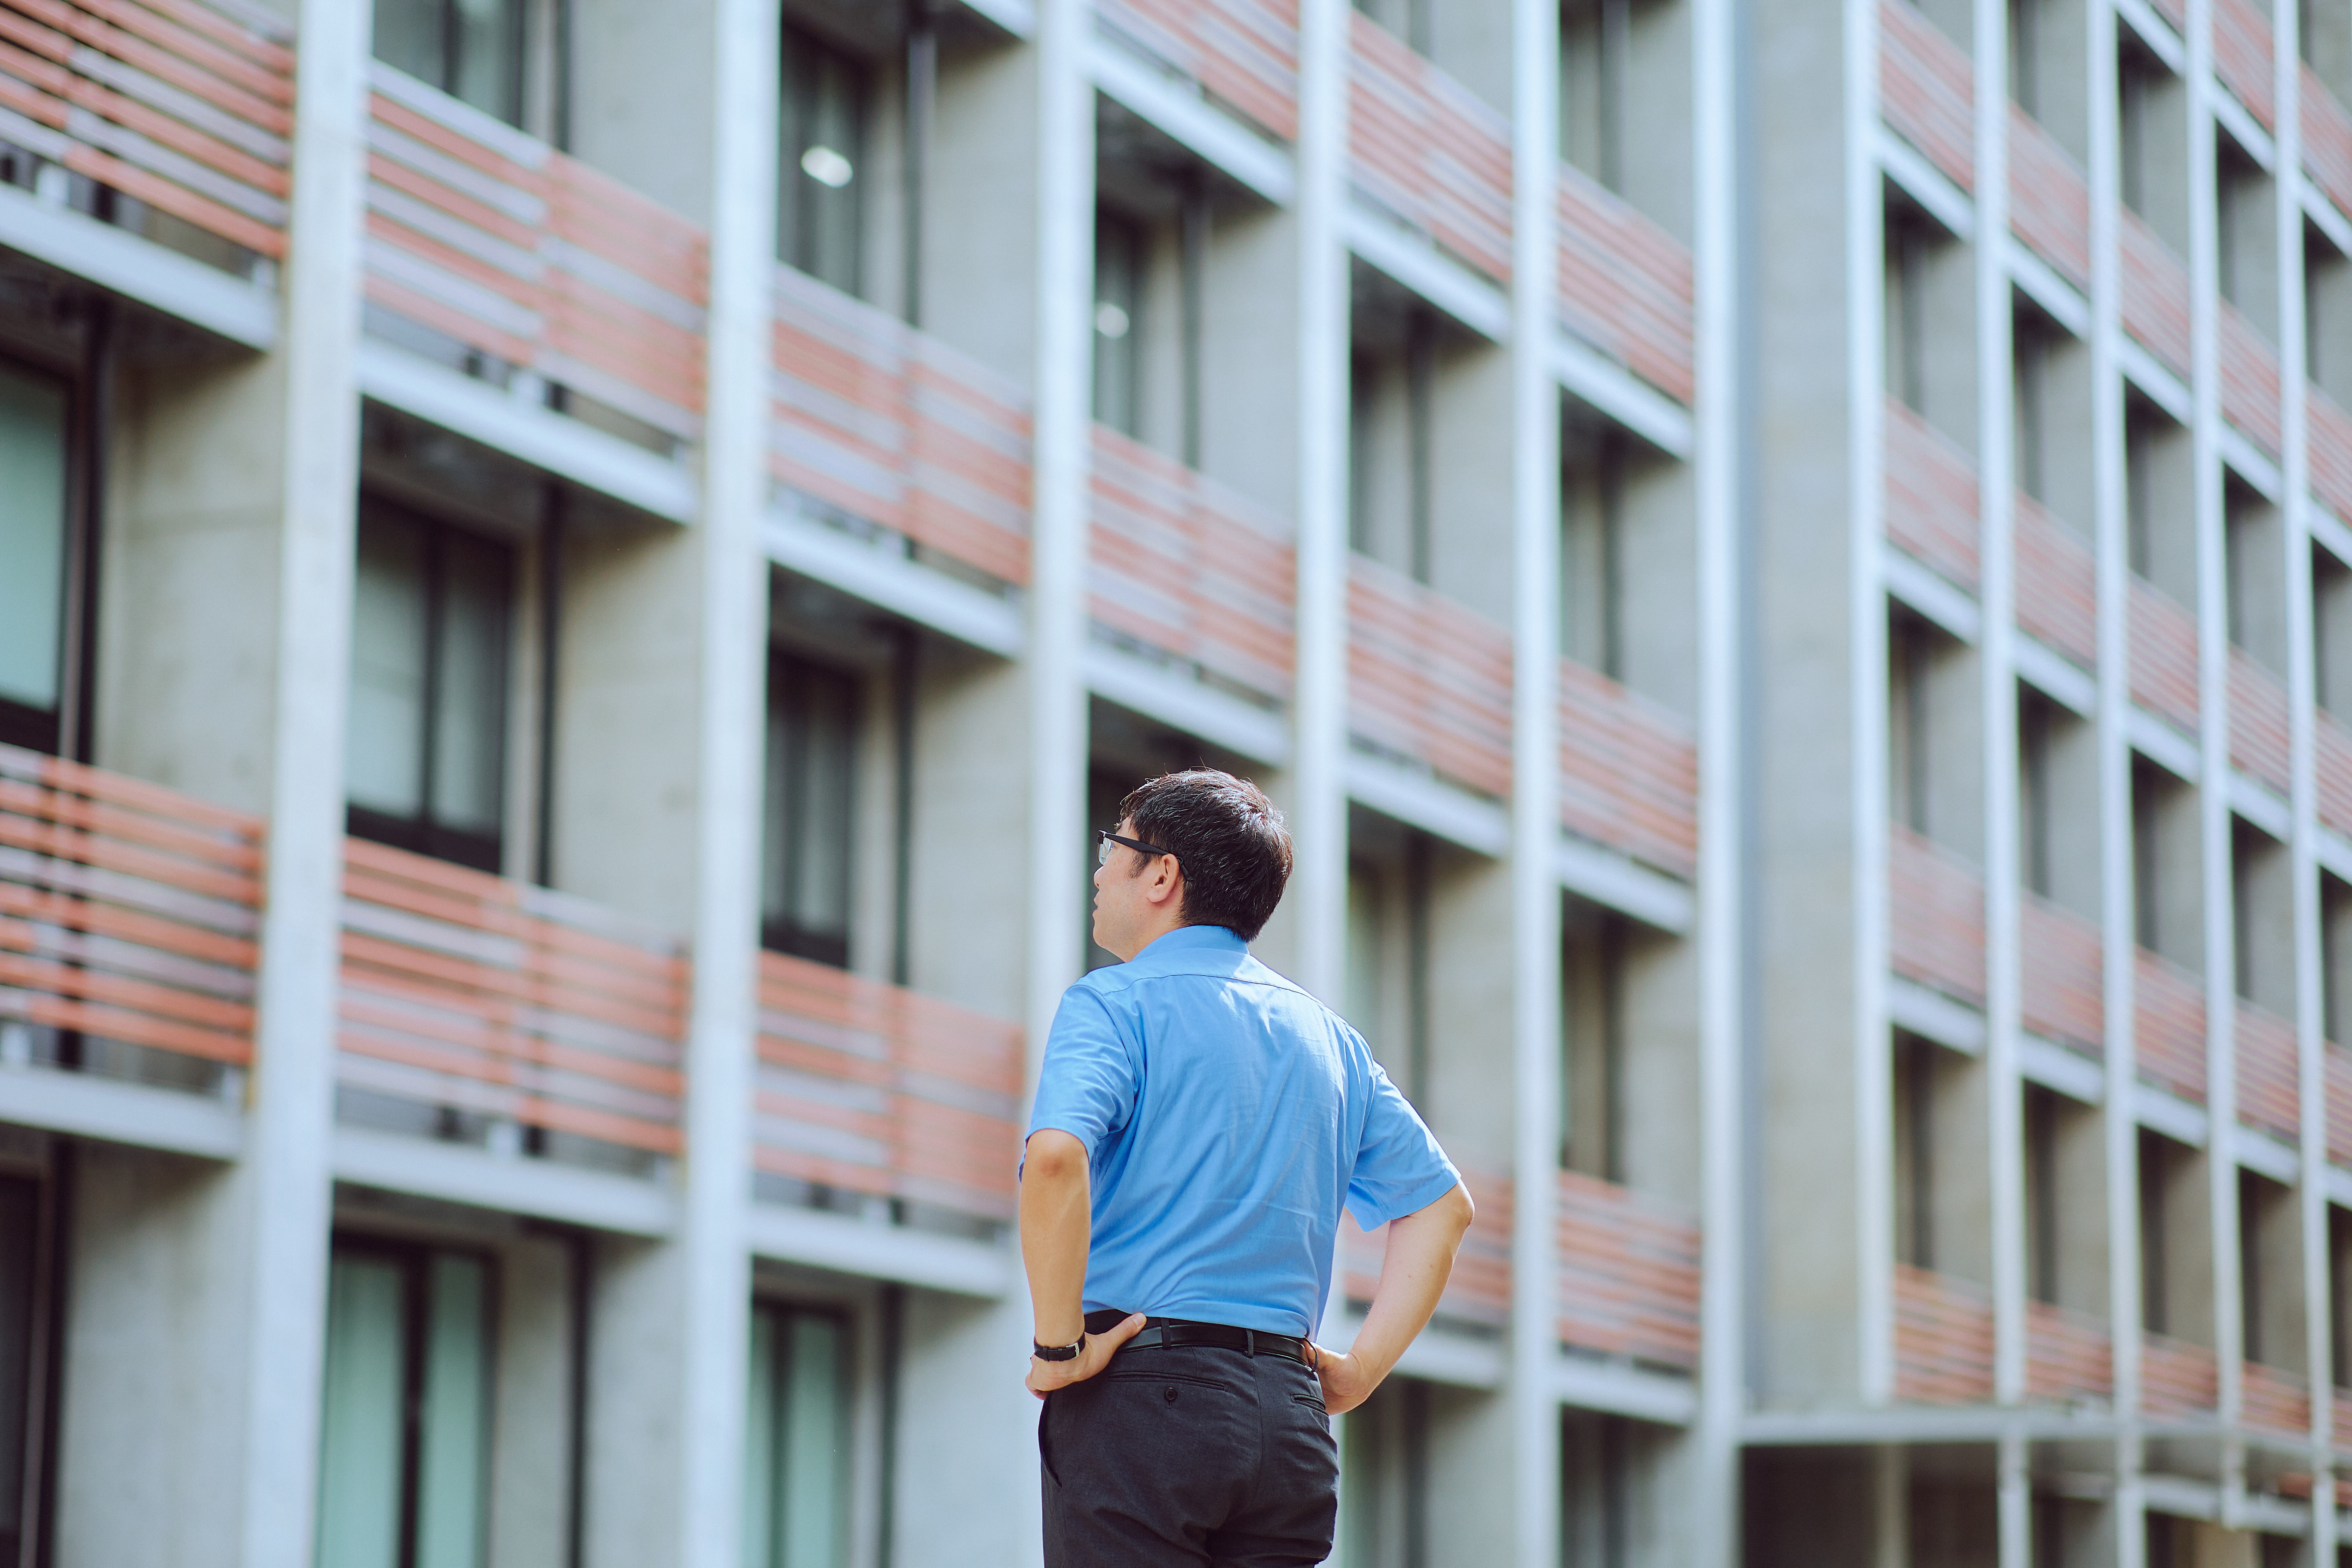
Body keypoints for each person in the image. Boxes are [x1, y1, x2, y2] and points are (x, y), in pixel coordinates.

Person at [1020, 768, 1474, 1566]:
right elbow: (1443, 1206)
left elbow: (1056, 1158)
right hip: (1289, 1423)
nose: (1098, 870)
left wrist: (1060, 1349)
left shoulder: (1113, 1003)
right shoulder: (1329, 1038)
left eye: (1112, 847)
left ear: (1162, 875)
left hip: (1141, 1405)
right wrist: (1359, 1372)